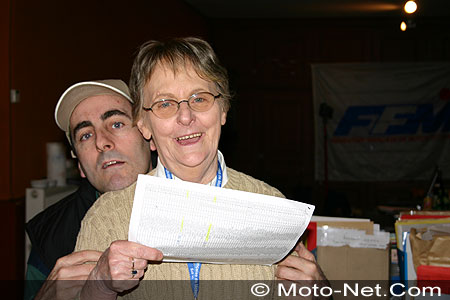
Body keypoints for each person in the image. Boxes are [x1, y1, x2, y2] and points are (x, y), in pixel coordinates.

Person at [74, 38, 327, 299]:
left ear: (223, 109)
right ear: (144, 125)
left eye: (200, 98)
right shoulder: (107, 218)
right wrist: (99, 286)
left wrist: (320, 293)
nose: (186, 117)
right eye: (165, 104)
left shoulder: (272, 206)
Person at [24, 79, 152, 300]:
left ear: (148, 135)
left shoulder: (197, 200)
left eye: (116, 124)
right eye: (86, 135)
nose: (102, 142)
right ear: (80, 165)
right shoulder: (51, 236)